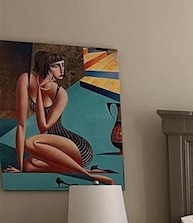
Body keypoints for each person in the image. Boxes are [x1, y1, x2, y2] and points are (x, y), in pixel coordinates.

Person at [4, 50, 113, 183]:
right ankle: (82, 170)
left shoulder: (60, 94)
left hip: (75, 147)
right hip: (52, 146)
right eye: (56, 66)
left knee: (30, 142)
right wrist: (20, 168)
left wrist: (39, 91)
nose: (62, 70)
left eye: (62, 65)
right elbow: (21, 125)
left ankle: (89, 175)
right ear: (45, 68)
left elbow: (43, 126)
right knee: (29, 165)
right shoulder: (25, 79)